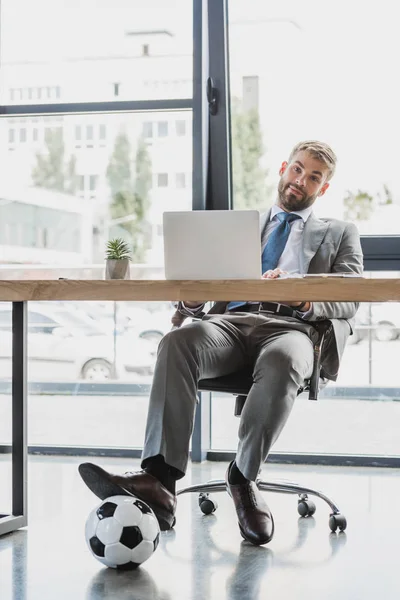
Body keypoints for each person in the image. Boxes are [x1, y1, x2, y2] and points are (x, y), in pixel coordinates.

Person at [79, 140, 363, 546]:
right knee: (177, 342)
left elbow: (351, 297)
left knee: (284, 359)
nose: (301, 180)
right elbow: (203, 287)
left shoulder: (338, 233)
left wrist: (301, 297)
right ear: (283, 168)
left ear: (324, 187)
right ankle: (159, 480)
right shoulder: (240, 226)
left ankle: (243, 478)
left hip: (292, 327)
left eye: (314, 176)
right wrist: (194, 298)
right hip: (230, 322)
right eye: (297, 169)